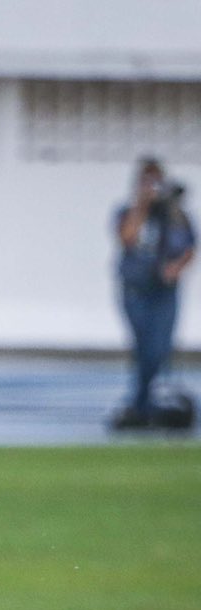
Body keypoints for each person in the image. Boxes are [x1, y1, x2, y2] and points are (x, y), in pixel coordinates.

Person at [112, 158, 195, 429]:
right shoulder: (128, 211)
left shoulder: (174, 215)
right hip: (136, 291)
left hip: (164, 292)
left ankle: (143, 403)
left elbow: (189, 246)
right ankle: (142, 403)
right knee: (144, 347)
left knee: (160, 347)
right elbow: (127, 238)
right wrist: (142, 204)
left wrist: (176, 267)